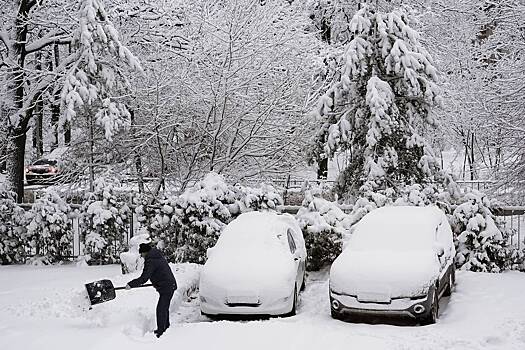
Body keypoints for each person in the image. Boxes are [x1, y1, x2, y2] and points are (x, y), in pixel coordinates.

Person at [126, 243, 177, 338]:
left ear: (145, 252)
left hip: (166, 286)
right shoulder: (156, 256)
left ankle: (161, 332)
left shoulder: (151, 260)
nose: (141, 256)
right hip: (168, 285)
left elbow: (144, 278)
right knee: (164, 308)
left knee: (161, 309)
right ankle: (166, 328)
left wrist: (131, 284)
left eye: (141, 253)